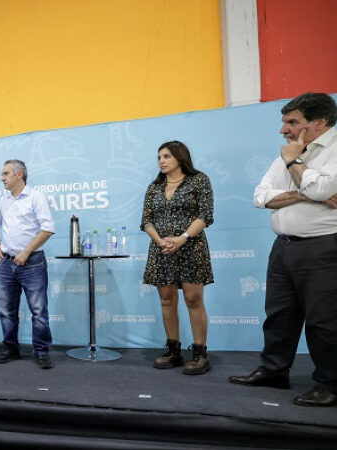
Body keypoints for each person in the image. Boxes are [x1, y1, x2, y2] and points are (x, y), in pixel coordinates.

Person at [229, 92, 337, 407]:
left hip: (323, 248)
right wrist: (306, 195)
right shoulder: (288, 151)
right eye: (285, 122)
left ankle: (330, 384)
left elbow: (321, 187)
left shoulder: (324, 152)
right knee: (279, 316)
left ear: (320, 122)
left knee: (324, 321)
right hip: (283, 247)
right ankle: (274, 371)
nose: (284, 130)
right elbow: (261, 196)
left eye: (292, 122)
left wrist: (294, 162)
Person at [141, 141, 214, 375]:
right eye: (159, 157)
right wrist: (160, 240)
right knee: (166, 299)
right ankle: (173, 350)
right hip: (162, 249)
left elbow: (205, 216)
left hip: (191, 247)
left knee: (194, 299)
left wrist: (182, 238)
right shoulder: (154, 187)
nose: (162, 160)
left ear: (180, 158)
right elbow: (146, 220)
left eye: (167, 156)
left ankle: (200, 353)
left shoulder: (199, 180)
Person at [0, 159, 55, 369]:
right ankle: (10, 348)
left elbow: (47, 229)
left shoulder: (36, 197)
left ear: (19, 175)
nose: (2, 178)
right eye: (2, 174)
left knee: (38, 311)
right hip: (7, 264)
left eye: (6, 173)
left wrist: (26, 252)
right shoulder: (3, 200)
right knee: (7, 310)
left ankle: (42, 351)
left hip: (32, 262)